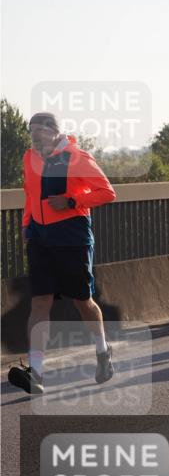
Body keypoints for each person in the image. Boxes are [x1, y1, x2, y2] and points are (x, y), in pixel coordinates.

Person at [9, 112, 117, 395]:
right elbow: (30, 195)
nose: (34, 137)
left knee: (83, 301)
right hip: (40, 239)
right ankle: (37, 373)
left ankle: (103, 352)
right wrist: (26, 226)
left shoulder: (77, 157)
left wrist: (72, 200)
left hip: (72, 236)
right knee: (40, 302)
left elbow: (106, 192)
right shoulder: (28, 158)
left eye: (39, 132)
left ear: (54, 131)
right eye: (31, 132)